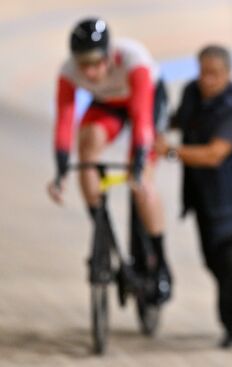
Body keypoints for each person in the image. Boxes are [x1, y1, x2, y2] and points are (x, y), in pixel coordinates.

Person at [47, 17, 172, 304]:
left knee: (142, 180)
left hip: (146, 101)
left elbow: (142, 118)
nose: (89, 72)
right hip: (108, 105)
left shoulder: (133, 59)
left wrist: (140, 161)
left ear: (109, 54)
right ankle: (99, 221)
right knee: (87, 146)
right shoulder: (68, 72)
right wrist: (60, 169)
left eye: (95, 63)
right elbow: (65, 123)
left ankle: (161, 263)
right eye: (83, 64)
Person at [155, 45, 232, 348]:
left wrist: (168, 150)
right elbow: (180, 119)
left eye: (214, 74)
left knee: (231, 263)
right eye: (203, 72)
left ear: (228, 74)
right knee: (213, 260)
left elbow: (213, 154)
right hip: (206, 198)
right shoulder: (193, 92)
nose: (207, 80)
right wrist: (153, 124)